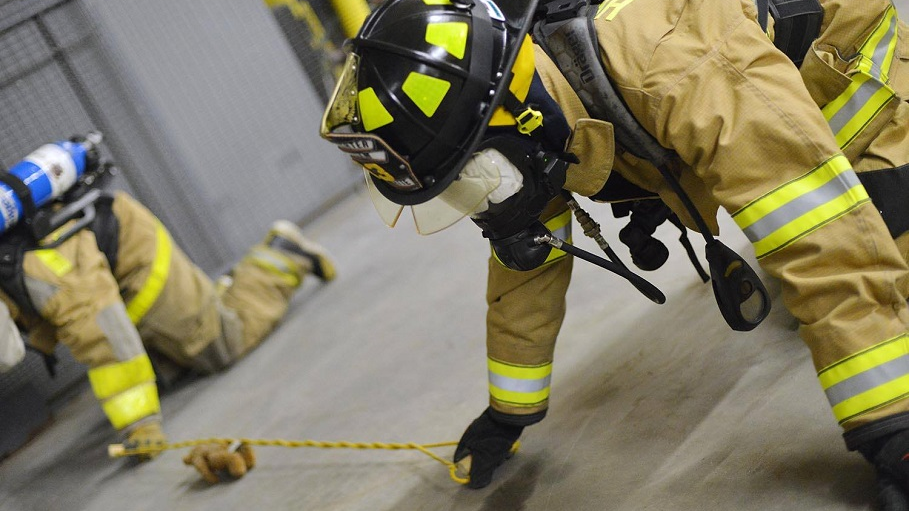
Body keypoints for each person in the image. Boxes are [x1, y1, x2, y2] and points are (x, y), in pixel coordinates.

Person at [320, 0, 909, 505]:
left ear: (513, 118)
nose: (478, 202)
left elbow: (819, 235)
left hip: (846, 79)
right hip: (744, 100)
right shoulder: (526, 111)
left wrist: (890, 425)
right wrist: (508, 413)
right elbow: (529, 266)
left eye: (470, 179)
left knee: (861, 247)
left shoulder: (675, 67)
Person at [0, 142, 336, 468]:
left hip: (141, 267)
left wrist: (139, 423)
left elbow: (101, 328)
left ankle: (284, 252)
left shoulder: (36, 272)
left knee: (224, 344)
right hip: (109, 276)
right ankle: (212, 299)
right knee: (176, 360)